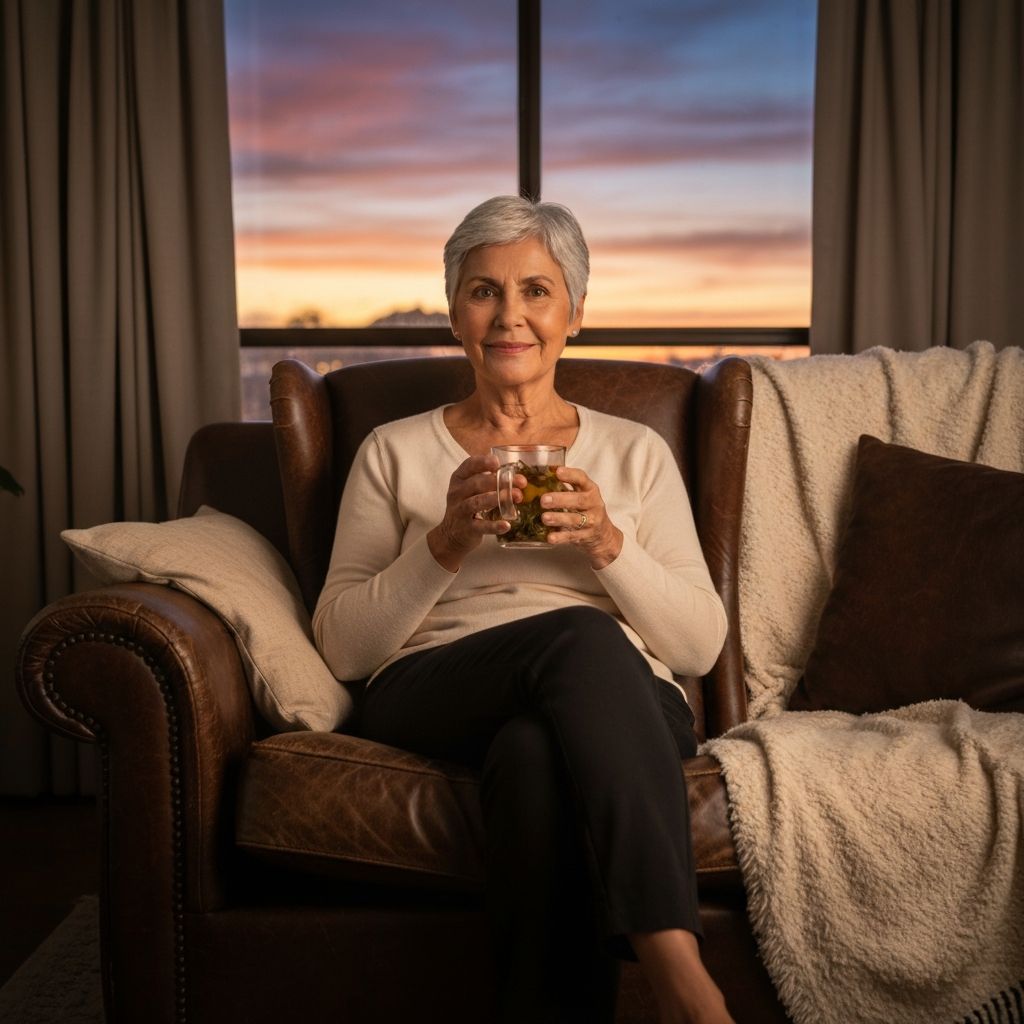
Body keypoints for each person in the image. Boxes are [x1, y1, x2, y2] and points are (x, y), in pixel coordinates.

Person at [313, 195, 735, 1024]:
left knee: (536, 753)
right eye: (484, 291)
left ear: (574, 312)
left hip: (617, 699)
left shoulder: (634, 452)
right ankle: (680, 974)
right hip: (438, 685)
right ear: (454, 311)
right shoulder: (394, 451)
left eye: (536, 291)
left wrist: (610, 544)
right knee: (578, 637)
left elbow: (699, 644)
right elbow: (341, 649)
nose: (511, 316)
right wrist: (442, 545)